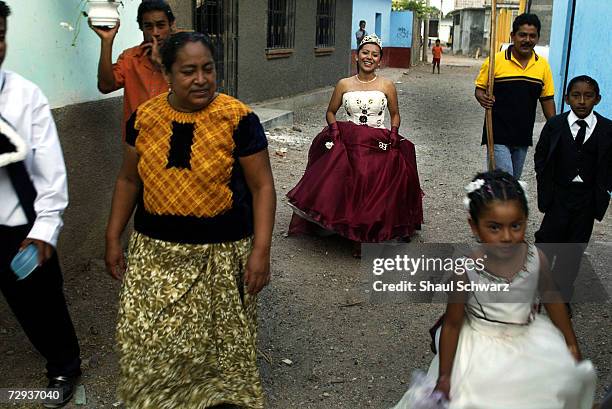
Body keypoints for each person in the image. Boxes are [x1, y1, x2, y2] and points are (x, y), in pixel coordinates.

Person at [104, 32, 276, 408]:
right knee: (143, 333)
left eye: (208, 69)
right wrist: (113, 235)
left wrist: (261, 250)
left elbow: (263, 187)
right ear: (166, 73)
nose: (201, 79)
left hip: (221, 253)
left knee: (220, 342)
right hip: (155, 252)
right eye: (188, 71)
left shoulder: (238, 118)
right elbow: (129, 179)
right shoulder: (145, 118)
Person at [393, 170, 597, 409]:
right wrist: (446, 377)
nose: (507, 236)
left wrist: (571, 344)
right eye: (494, 227)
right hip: (479, 352)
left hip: (531, 344)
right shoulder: (466, 271)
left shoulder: (535, 259)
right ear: (474, 226)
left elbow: (553, 300)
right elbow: (452, 324)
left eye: (516, 225)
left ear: (526, 219)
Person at [0, 2, 81, 408]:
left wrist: (45, 229)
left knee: (40, 303)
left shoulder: (24, 96)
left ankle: (64, 366)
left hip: (18, 227)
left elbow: (50, 169)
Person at [287, 34, 423, 257]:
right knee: (348, 179)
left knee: (379, 179)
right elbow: (330, 112)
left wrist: (394, 133)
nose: (369, 57)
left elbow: (395, 114)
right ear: (357, 56)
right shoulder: (344, 84)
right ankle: (351, 231)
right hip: (349, 139)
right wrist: (333, 131)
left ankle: (367, 234)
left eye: (375, 54)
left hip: (378, 141)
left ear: (380, 60)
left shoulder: (387, 85)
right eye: (365, 53)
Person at [534, 75, 612, 304]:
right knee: (547, 242)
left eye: (588, 96)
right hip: (559, 195)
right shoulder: (555, 125)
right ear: (567, 98)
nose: (582, 101)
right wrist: (546, 186)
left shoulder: (607, 129)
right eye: (576, 95)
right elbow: (541, 155)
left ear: (597, 99)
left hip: (587, 199)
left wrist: (604, 188)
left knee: (574, 249)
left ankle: (561, 295)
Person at [475, 13, 556, 179]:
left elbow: (547, 99)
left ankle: (493, 203)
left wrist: (556, 128)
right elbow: (480, 89)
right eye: (522, 35)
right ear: (513, 36)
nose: (527, 40)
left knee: (512, 183)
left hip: (523, 135)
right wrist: (482, 97)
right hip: (497, 133)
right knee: (506, 180)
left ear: (538, 38)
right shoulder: (495, 61)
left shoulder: (542, 66)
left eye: (532, 36)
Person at [90, 0, 175, 138]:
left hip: (173, 142)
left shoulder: (183, 56)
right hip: (136, 145)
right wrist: (107, 41)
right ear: (141, 28)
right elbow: (105, 86)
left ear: (171, 25)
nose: (155, 32)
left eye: (161, 25)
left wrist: (161, 64)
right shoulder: (130, 58)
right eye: (148, 26)